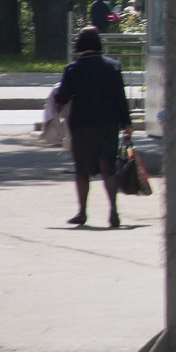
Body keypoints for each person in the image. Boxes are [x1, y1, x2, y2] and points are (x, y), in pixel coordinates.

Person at [53, 28, 133, 228]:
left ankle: (82, 212)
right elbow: (120, 98)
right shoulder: (113, 66)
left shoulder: (72, 69)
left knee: (81, 169)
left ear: (79, 45)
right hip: (108, 123)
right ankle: (113, 210)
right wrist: (127, 123)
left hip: (81, 125)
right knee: (108, 167)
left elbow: (62, 98)